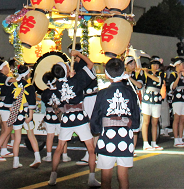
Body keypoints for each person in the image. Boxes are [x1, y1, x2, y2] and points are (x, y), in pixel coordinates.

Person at [48, 50, 100, 188]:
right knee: (91, 148)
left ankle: (53, 177)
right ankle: (91, 178)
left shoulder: (57, 85)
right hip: (79, 117)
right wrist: (79, 54)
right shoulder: (77, 80)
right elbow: (90, 64)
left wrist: (69, 76)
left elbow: (63, 80)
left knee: (59, 148)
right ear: (66, 71)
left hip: (66, 118)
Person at [90, 57, 140, 189]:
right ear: (124, 71)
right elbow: (136, 117)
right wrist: (132, 128)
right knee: (123, 178)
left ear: (106, 74)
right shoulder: (130, 92)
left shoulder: (102, 93)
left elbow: (95, 117)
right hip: (125, 136)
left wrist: (96, 133)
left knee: (106, 179)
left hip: (107, 136)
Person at [137, 57, 165, 151]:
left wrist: (147, 73)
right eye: (153, 64)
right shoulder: (145, 74)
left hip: (157, 98)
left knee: (155, 122)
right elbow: (140, 82)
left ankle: (154, 142)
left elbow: (159, 81)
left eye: (157, 64)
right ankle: (146, 143)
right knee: (146, 121)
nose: (155, 66)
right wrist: (142, 72)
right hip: (147, 98)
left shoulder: (161, 74)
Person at [169, 58, 184, 147]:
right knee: (177, 118)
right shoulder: (173, 75)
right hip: (177, 98)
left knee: (183, 119)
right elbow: (173, 87)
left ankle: (181, 138)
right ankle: (176, 139)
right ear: (177, 66)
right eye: (182, 64)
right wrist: (178, 77)